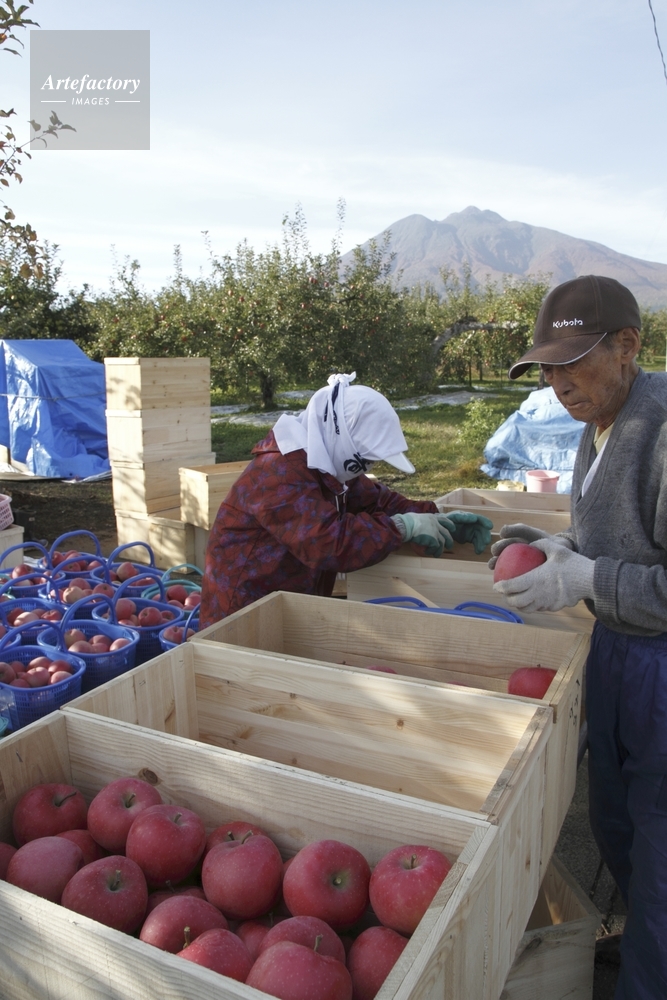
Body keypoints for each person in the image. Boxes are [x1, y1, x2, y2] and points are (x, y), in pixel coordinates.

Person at [490, 274, 667, 1000]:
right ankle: (647, 936)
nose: (557, 383)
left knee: (659, 840)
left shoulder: (660, 431)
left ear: (626, 346)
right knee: (614, 819)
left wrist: (588, 577)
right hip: (617, 653)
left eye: (573, 362)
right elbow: (621, 538)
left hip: (660, 667)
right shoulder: (597, 423)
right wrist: (559, 546)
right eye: (547, 368)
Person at [201, 372, 492, 626]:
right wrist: (403, 527)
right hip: (243, 615)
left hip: (287, 605)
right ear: (342, 441)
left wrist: (434, 516)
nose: (367, 469)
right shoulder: (278, 474)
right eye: (365, 460)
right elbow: (328, 543)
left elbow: (377, 501)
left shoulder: (322, 463)